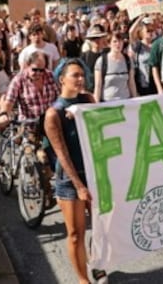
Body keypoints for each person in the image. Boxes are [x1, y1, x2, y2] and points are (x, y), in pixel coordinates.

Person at [43, 60, 107, 284]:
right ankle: (83, 280)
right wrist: (79, 185)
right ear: (62, 79)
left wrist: (83, 115)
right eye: (75, 75)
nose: (81, 79)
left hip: (93, 173)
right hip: (69, 179)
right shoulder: (53, 114)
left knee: (101, 227)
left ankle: (97, 264)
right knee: (75, 233)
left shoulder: (87, 100)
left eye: (82, 75)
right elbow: (62, 155)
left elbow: (102, 128)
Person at [0, 51, 59, 208]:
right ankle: (45, 193)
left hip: (49, 124)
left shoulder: (51, 76)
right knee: (41, 158)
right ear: (26, 66)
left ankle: (44, 181)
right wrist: (4, 114)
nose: (38, 73)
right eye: (35, 69)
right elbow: (9, 100)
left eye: (41, 70)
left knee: (54, 160)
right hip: (29, 125)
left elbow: (60, 97)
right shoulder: (19, 80)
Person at [94, 33, 137, 102]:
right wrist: (96, 104)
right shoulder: (101, 61)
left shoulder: (128, 60)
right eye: (115, 41)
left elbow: (131, 82)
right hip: (107, 102)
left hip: (126, 101)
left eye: (120, 41)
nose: (118, 44)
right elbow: (98, 86)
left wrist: (135, 100)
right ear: (109, 44)